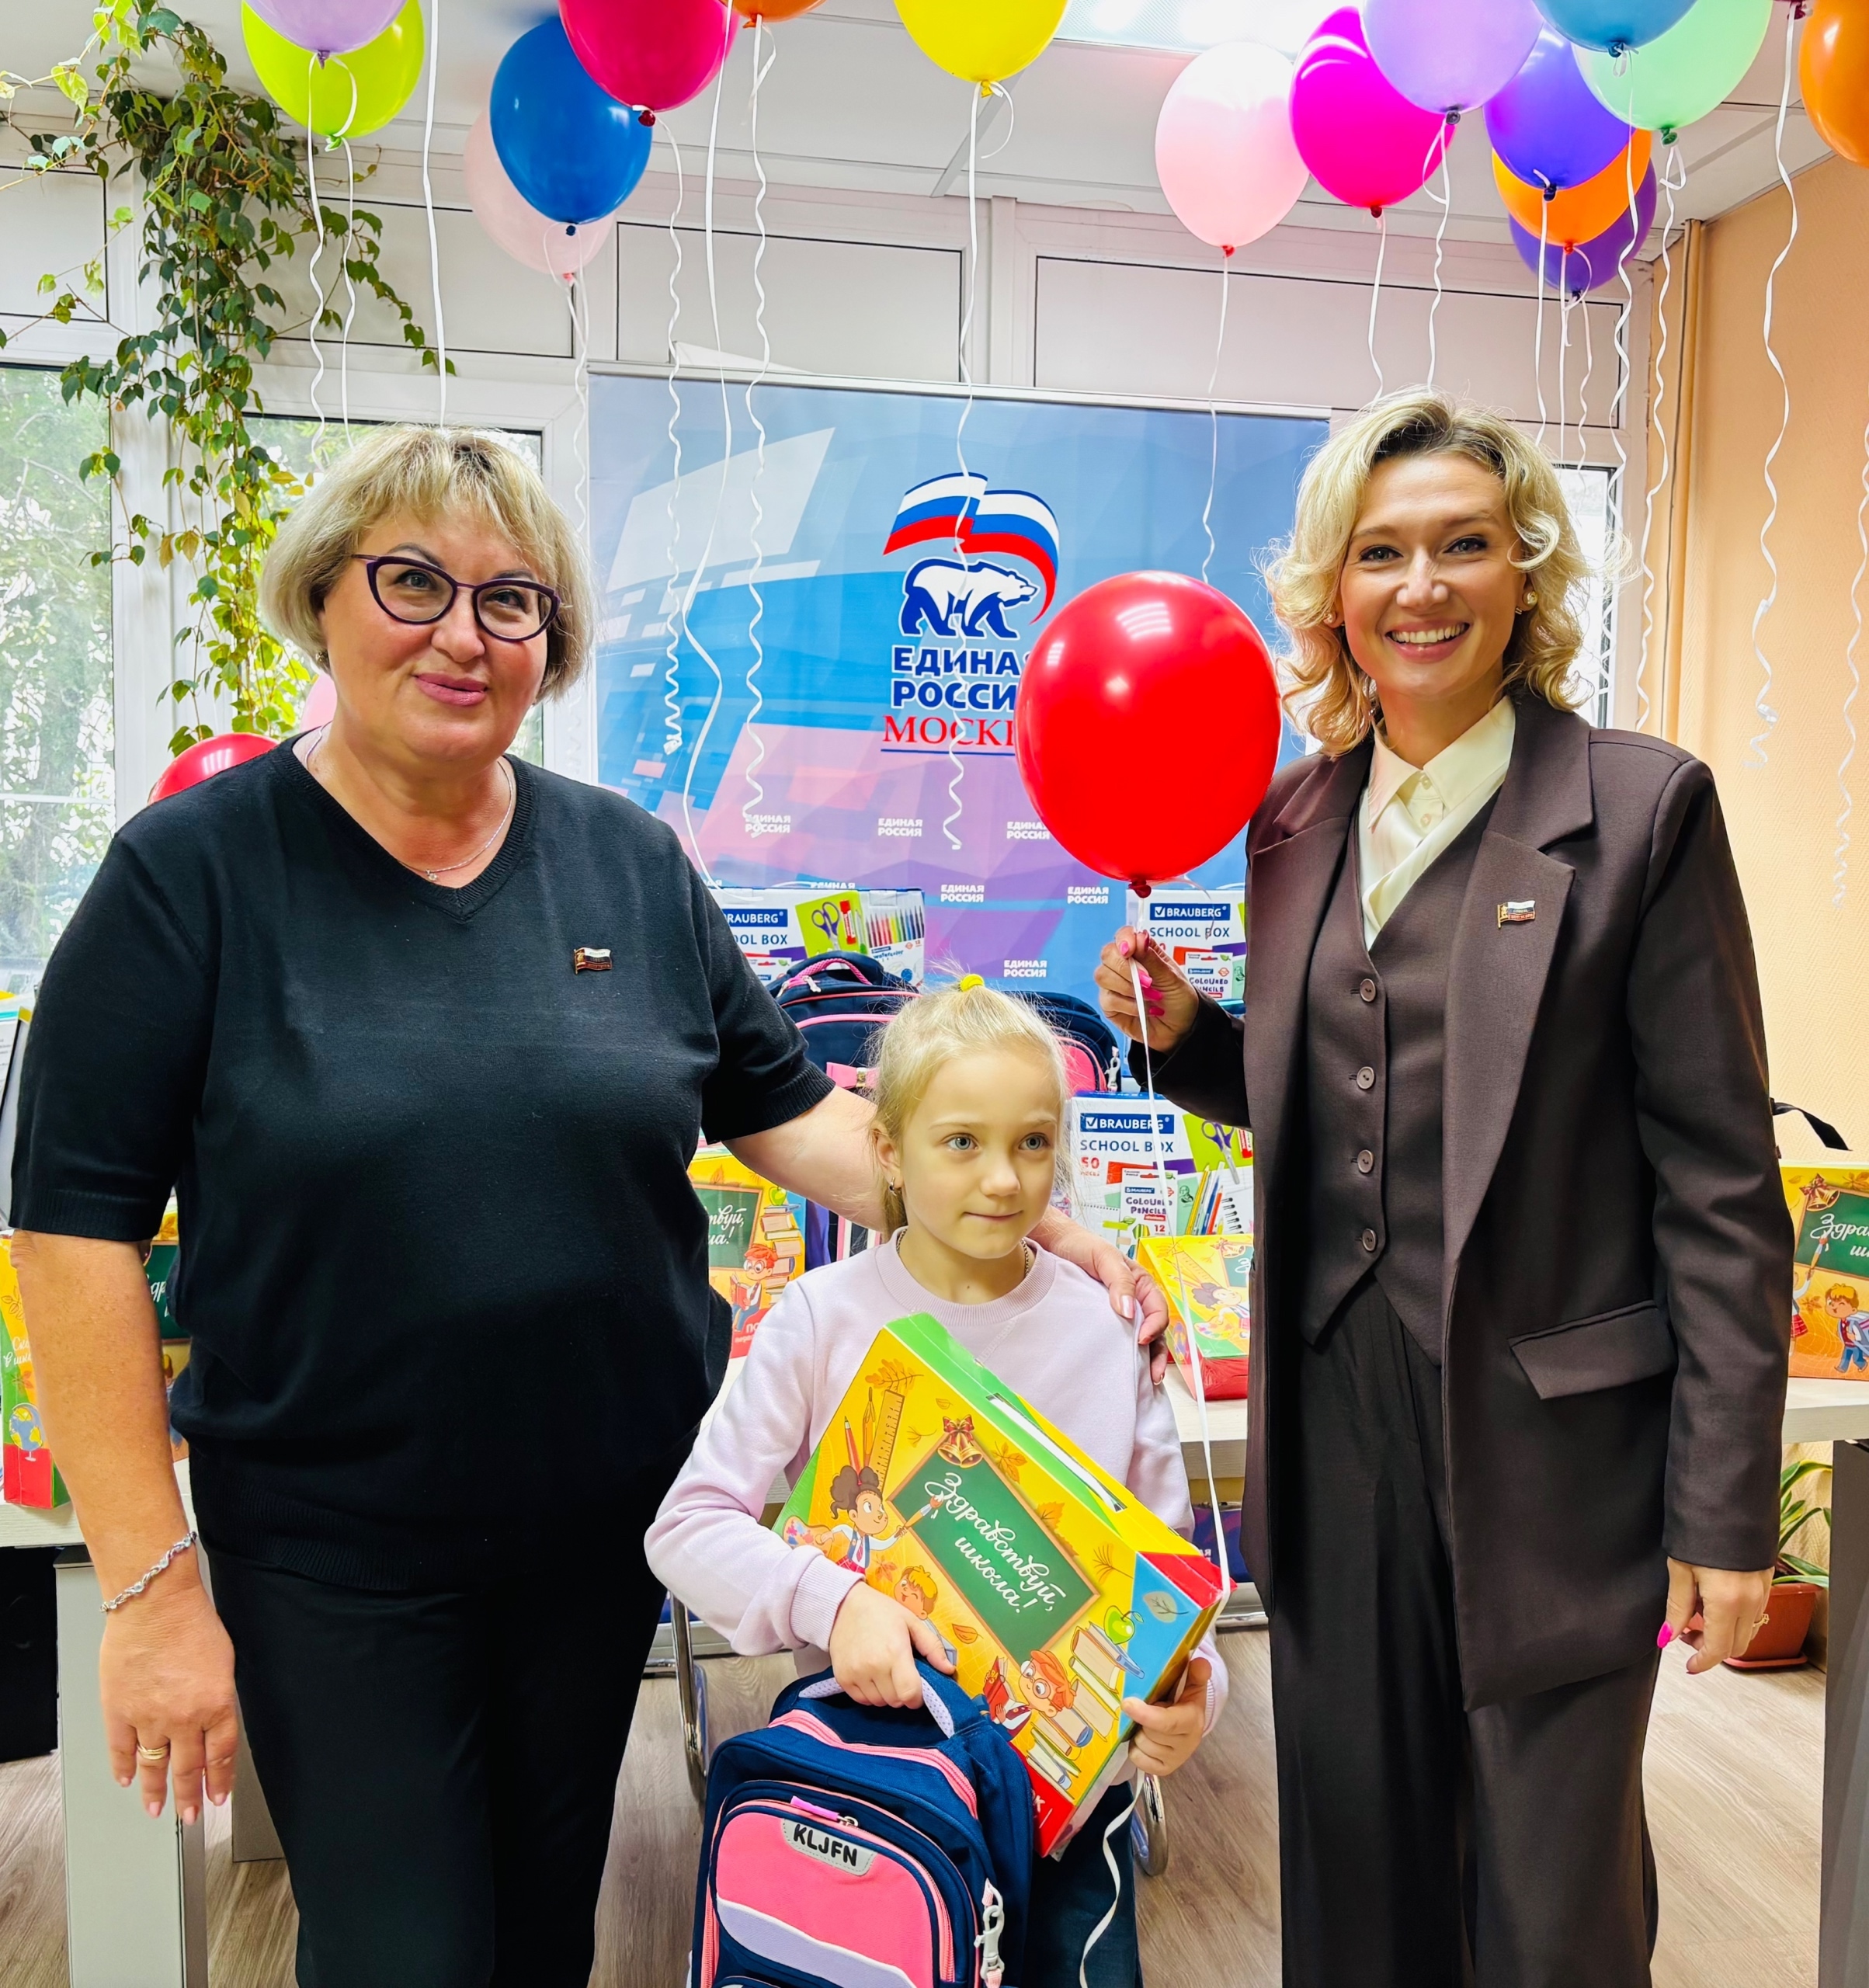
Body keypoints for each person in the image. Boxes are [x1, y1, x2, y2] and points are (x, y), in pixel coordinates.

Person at [8, 426, 1155, 1988]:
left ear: (549, 646)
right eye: (412, 582)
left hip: (599, 1529)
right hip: (338, 1552)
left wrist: (1024, 1215)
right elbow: (69, 1230)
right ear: (321, 600)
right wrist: (150, 1589)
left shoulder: (627, 863)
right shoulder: (188, 876)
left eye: (512, 600)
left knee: (547, 1931)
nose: (462, 633)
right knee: (404, 1953)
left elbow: (796, 1117)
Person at [1096, 391, 1791, 1988]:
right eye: (1380, 553)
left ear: (1525, 571)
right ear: (1332, 594)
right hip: (1333, 1414)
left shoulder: (1642, 810)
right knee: (1355, 1869)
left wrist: (1724, 1508)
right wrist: (1191, 1039)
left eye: (1463, 544)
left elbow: (1718, 1182)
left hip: (1554, 1442)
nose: (1422, 586)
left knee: (1553, 1902)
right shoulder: (1293, 820)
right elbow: (1332, 1088)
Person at [648, 978, 1225, 1986]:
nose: (1002, 1179)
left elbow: (1168, 1593)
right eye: (961, 1142)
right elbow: (686, 1527)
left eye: (1033, 1143)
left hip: (1064, 1821)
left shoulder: (1107, 1332)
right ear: (887, 1151)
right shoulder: (821, 1317)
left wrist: (1191, 1700)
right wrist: (834, 1603)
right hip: (875, 1792)